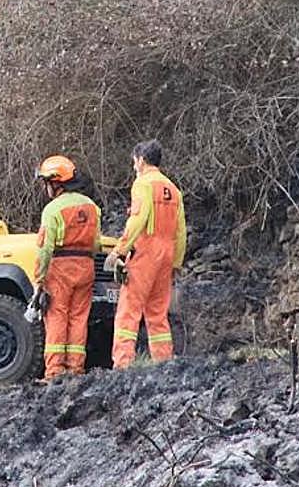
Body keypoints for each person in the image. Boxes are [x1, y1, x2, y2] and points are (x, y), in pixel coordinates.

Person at [104, 140, 186, 368]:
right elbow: (181, 231)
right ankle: (164, 362)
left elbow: (137, 220)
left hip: (146, 253)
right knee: (158, 313)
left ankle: (122, 364)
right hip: (167, 255)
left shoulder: (143, 185)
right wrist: (176, 263)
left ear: (141, 160)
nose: (133, 167)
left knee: (128, 310)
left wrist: (120, 251)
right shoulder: (174, 190)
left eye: (134, 162)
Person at [33, 155, 101, 381]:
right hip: (86, 267)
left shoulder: (53, 210)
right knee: (79, 318)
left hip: (61, 268)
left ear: (55, 182)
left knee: (57, 317)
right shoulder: (92, 207)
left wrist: (39, 279)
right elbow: (96, 243)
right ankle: (75, 369)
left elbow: (44, 249)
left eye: (46, 183)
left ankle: (54, 372)